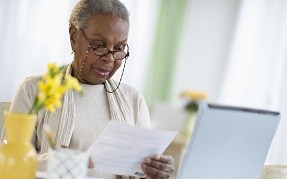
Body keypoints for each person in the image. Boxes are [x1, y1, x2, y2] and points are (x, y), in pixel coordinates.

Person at [6, 0, 175, 178]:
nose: (109, 59)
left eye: (119, 48)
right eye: (98, 46)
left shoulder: (134, 100)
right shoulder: (34, 91)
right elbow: (10, 164)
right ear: (74, 36)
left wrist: (155, 172)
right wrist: (55, 162)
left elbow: (141, 173)